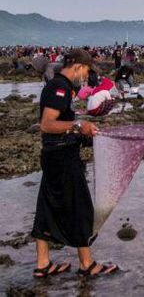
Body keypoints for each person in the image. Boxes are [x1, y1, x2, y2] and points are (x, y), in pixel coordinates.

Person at [32, 49, 118, 279]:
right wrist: (79, 126)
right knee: (81, 207)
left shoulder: (61, 87)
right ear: (79, 66)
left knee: (46, 208)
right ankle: (87, 264)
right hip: (61, 158)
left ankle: (43, 264)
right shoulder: (58, 88)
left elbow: (61, 123)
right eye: (87, 70)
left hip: (53, 155)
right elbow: (47, 124)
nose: (86, 76)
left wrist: (84, 132)